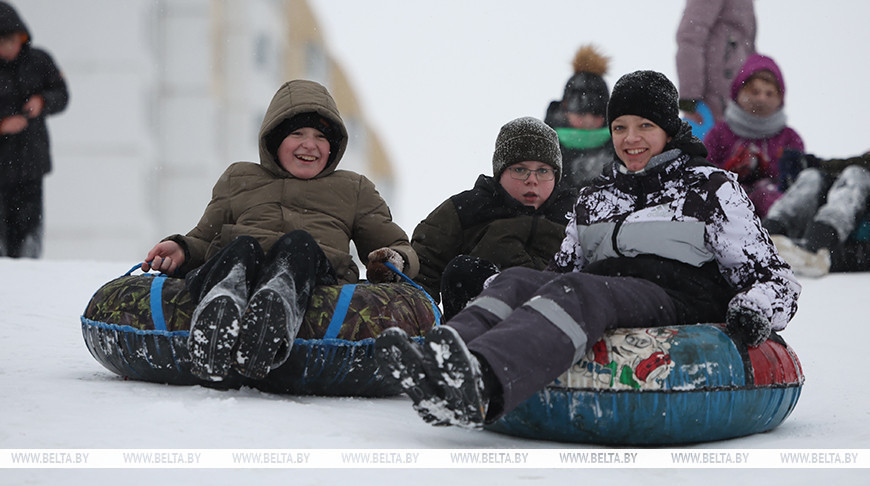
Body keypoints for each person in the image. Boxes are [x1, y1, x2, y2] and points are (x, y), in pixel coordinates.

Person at [375, 70, 800, 428]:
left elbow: (774, 278)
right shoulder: (595, 197)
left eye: (644, 127)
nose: (631, 139)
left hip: (677, 298)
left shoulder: (709, 188)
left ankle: (484, 379)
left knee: (580, 290)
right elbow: (558, 274)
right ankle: (439, 359)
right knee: (519, 279)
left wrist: (756, 307)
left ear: (669, 130)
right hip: (607, 293)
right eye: (620, 128)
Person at [142, 79, 419, 382]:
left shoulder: (353, 188)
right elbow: (203, 237)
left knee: (298, 244)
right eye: (297, 133)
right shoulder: (239, 177)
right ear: (275, 139)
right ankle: (221, 308)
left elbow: (394, 243)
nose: (309, 145)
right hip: (243, 264)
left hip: (312, 275)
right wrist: (181, 248)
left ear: (333, 145)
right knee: (241, 246)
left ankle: (274, 308)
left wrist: (393, 260)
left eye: (320, 137)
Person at [411, 117, 577, 321]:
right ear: (500, 172)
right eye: (519, 170)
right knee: (463, 271)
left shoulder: (577, 214)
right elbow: (420, 272)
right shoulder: (469, 210)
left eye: (543, 171)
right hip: (479, 327)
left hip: (557, 323)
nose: (532, 180)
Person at [0, 2, 69, 258]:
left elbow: (61, 94)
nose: (9, 47)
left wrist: (43, 102)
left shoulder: (39, 61)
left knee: (29, 235)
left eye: (12, 40)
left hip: (31, 166)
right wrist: (3, 125)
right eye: (2, 41)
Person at [704, 53, 804, 218]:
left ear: (780, 98)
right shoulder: (719, 133)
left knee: (766, 196)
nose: (761, 99)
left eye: (769, 94)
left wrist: (766, 171)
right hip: (726, 203)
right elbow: (702, 171)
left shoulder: (790, 138)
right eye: (755, 92)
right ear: (738, 92)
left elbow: (795, 182)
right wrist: (729, 170)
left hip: (774, 211)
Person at [764, 151, 870, 277]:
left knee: (856, 175)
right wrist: (815, 163)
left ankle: (815, 248)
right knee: (812, 176)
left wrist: (834, 259)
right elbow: (862, 161)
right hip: (826, 228)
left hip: (841, 242)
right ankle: (765, 238)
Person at [544, 45, 615, 188]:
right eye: (580, 112)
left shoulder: (624, 149)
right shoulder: (541, 150)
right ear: (564, 109)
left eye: (596, 113)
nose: (587, 120)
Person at [675, 0, 756, 124]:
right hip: (713, 99)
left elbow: (748, 44)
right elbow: (690, 38)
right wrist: (690, 100)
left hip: (740, 96)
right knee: (711, 140)